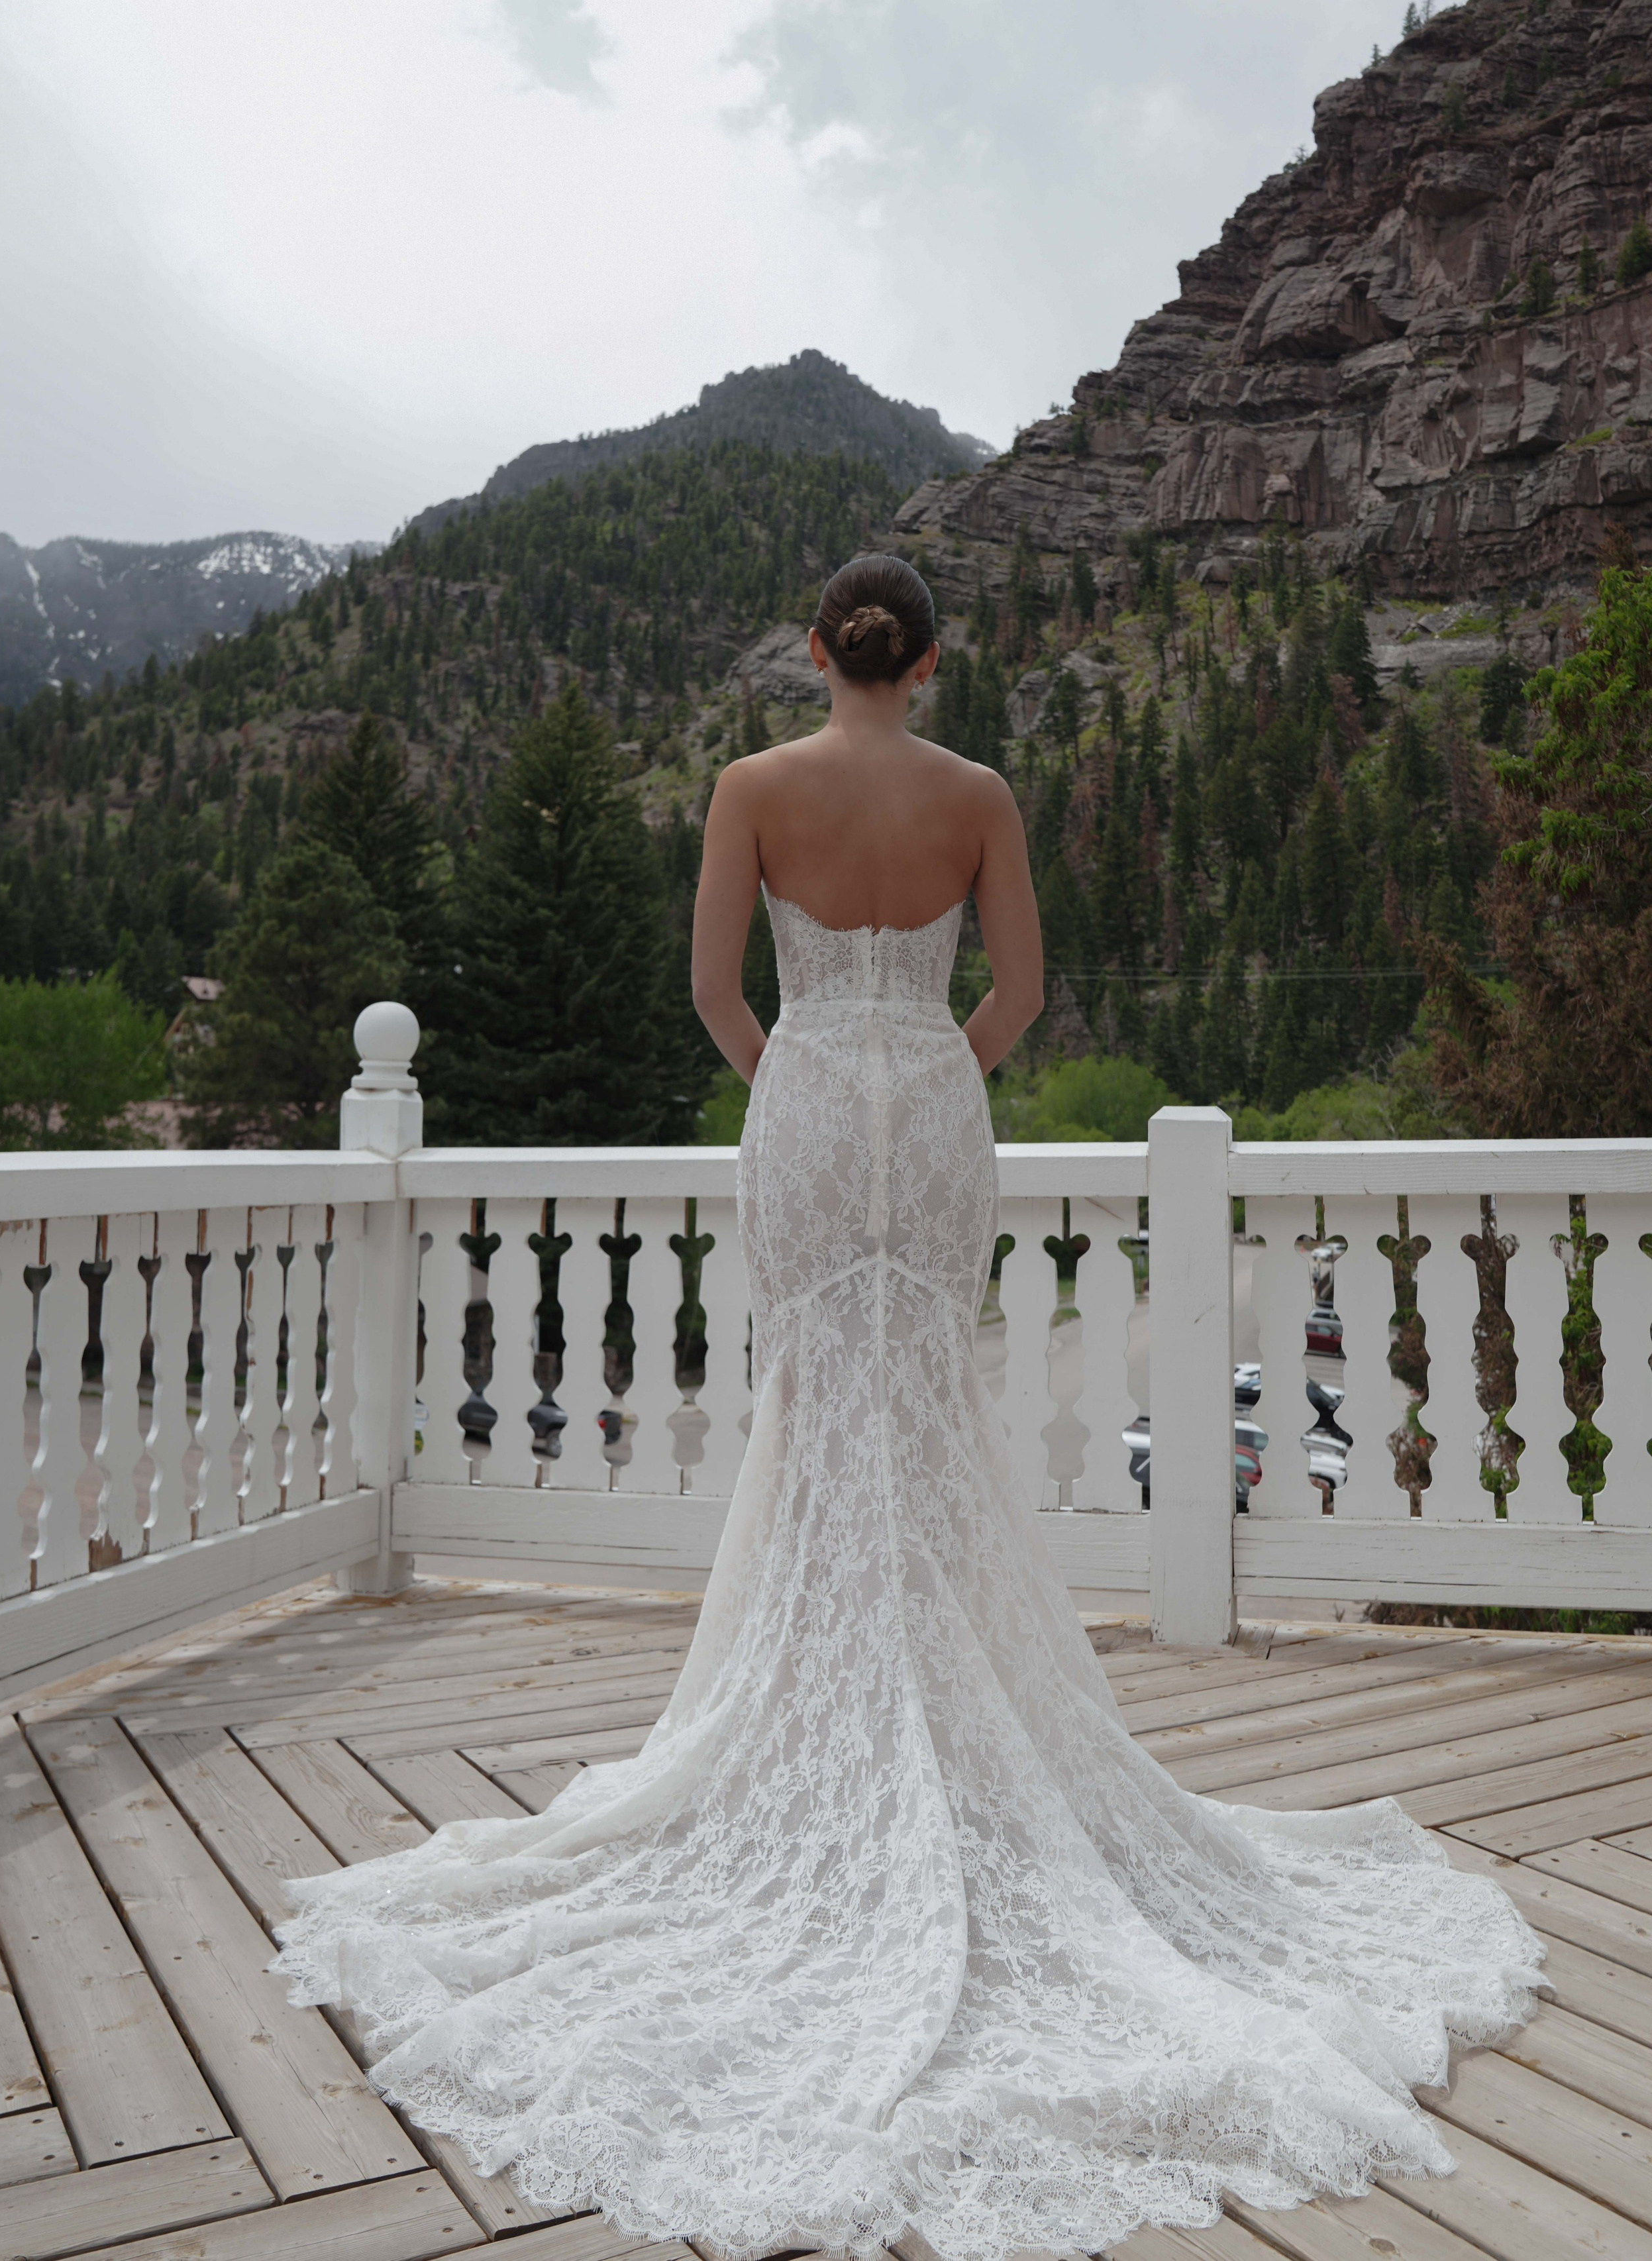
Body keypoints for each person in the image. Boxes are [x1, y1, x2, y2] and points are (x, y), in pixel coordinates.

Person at [272, 554, 1541, 2261]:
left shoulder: (751, 787)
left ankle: (830, 1712)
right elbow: (1016, 993)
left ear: (819, 653)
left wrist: (800, 1075)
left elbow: (719, 991)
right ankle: (941, 1711)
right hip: (932, 1118)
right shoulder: (978, 796)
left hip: (804, 1112)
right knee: (925, 1407)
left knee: (824, 1411)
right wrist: (932, 1069)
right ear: (929, 666)